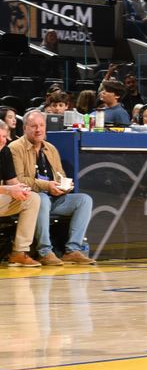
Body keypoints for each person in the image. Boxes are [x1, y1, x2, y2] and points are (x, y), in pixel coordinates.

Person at [9, 111, 95, 265]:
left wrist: (64, 186)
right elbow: (19, 180)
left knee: (84, 200)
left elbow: (59, 174)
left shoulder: (50, 149)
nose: (38, 130)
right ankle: (45, 251)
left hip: (53, 197)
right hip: (30, 198)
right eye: (34, 126)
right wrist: (46, 186)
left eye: (42, 125)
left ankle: (73, 249)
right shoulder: (15, 148)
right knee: (41, 198)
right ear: (25, 128)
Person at [0, 121, 41, 266]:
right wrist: (7, 190)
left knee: (32, 199)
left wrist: (20, 189)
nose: (2, 140)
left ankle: (19, 252)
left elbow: (12, 182)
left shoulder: (4, 151)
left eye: (4, 136)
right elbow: (7, 188)